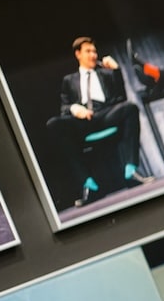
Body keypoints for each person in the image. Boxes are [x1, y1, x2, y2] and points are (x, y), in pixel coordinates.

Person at [44, 35, 151, 208]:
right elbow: (64, 108)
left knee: (130, 108)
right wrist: (74, 109)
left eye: (94, 51)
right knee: (54, 124)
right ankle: (88, 184)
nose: (93, 55)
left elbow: (121, 99)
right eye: (88, 51)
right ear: (78, 54)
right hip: (82, 122)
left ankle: (131, 172)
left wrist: (116, 71)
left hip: (105, 115)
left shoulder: (106, 74)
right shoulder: (69, 80)